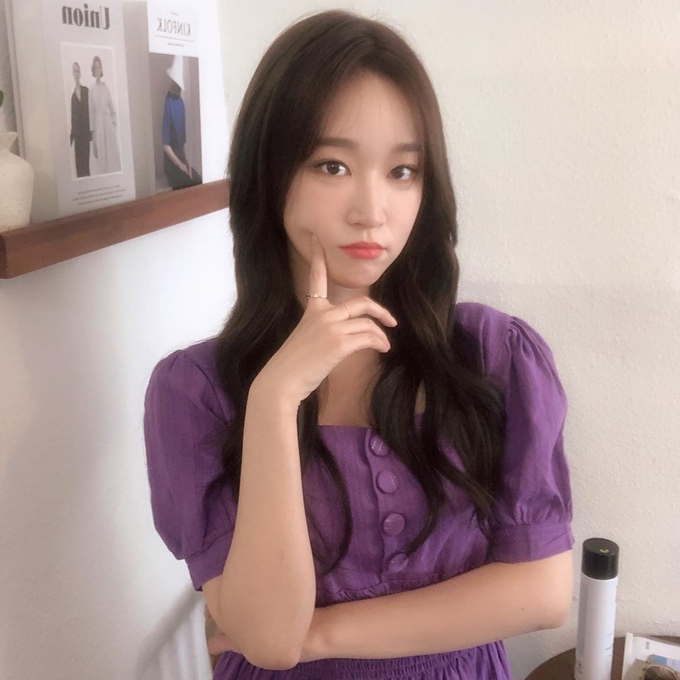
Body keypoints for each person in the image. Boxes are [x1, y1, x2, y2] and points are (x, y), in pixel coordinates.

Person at [143, 9, 574, 680]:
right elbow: (270, 639)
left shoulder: (492, 354)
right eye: (333, 165)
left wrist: (322, 635)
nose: (372, 211)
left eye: (403, 171)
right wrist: (276, 398)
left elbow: (541, 591)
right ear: (268, 173)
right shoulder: (196, 390)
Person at [162, 55, 202, 190]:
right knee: (190, 185)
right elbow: (166, 146)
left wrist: (187, 164)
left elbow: (182, 143)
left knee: (198, 179)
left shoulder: (180, 102)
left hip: (181, 158)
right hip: (172, 163)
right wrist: (181, 165)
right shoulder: (169, 102)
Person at [89, 55, 121, 175]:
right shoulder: (91, 90)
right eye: (95, 68)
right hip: (99, 129)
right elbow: (91, 115)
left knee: (113, 159)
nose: (97, 70)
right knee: (102, 161)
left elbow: (112, 110)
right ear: (93, 70)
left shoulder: (105, 88)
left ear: (101, 69)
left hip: (108, 128)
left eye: (99, 67)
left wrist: (113, 125)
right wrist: (93, 140)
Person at [69, 62, 91, 178]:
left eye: (77, 71)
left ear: (80, 73)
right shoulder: (73, 97)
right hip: (77, 136)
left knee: (86, 164)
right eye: (74, 71)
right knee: (79, 165)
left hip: (85, 135)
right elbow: (73, 119)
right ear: (72, 74)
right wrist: (70, 138)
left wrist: (92, 133)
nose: (76, 74)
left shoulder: (86, 91)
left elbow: (91, 112)